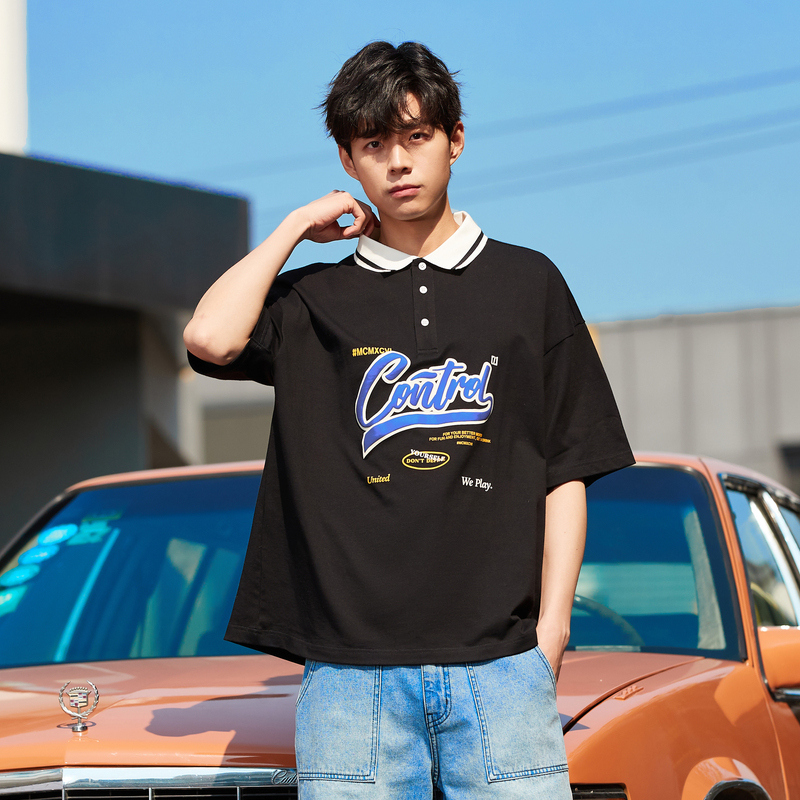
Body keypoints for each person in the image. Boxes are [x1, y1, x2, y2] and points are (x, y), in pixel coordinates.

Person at [184, 40, 634, 800]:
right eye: (373, 145)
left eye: (417, 137)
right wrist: (294, 228)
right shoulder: (313, 300)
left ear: (455, 140)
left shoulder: (529, 283)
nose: (397, 162)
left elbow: (567, 467)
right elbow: (210, 338)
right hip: (347, 679)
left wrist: (551, 632)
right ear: (347, 160)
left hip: (502, 668)